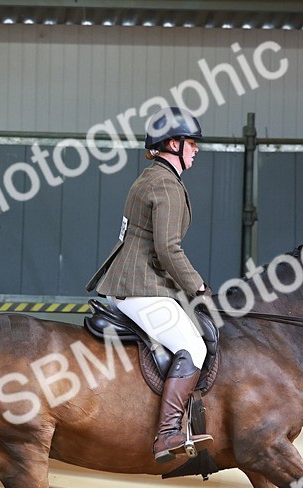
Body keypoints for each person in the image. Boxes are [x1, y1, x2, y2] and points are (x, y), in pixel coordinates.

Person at [86, 107, 214, 463]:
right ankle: (167, 435)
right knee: (194, 348)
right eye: (191, 143)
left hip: (135, 281)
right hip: (141, 286)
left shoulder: (150, 177)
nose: (196, 150)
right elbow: (168, 248)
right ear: (172, 143)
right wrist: (198, 287)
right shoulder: (165, 184)